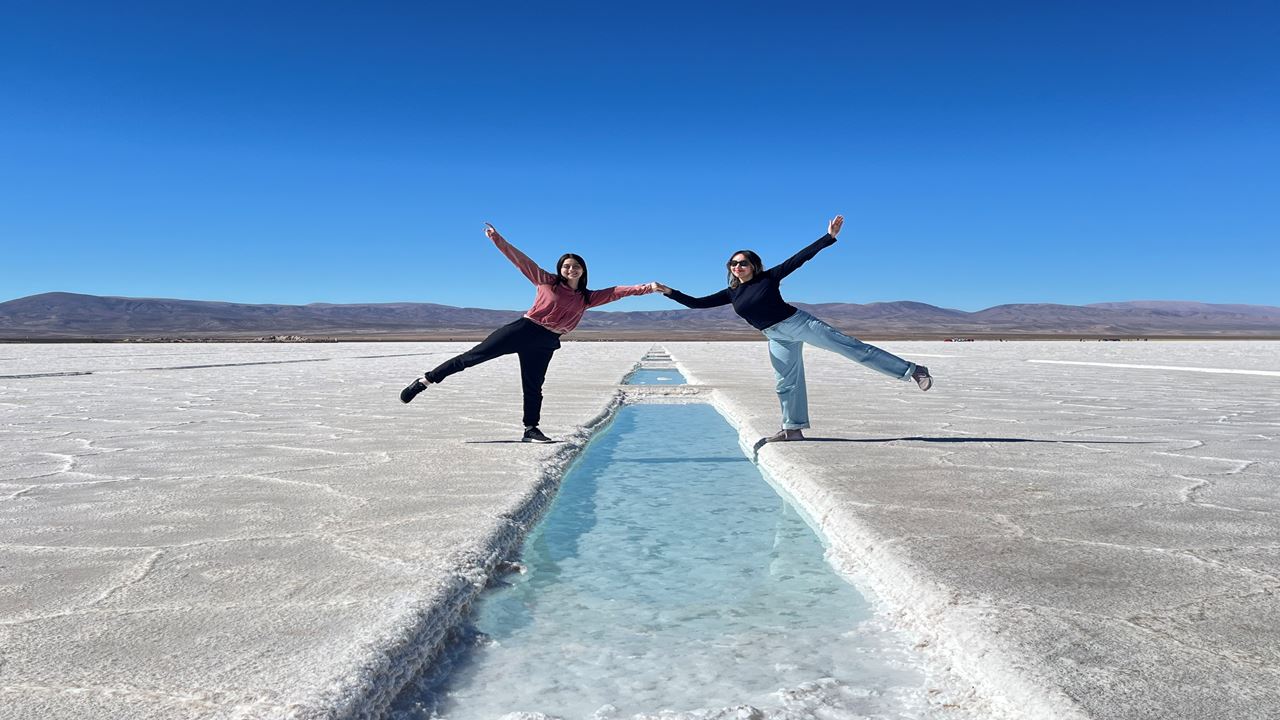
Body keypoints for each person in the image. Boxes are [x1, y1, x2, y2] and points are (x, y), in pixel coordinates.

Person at [654, 215, 932, 443]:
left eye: (743, 263)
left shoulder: (768, 278)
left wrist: (829, 238)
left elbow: (799, 258)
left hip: (800, 324)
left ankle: (913, 370)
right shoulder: (732, 293)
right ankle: (793, 429)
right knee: (786, 382)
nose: (738, 266)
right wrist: (669, 291)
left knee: (853, 349)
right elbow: (696, 303)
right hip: (775, 336)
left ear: (754, 266)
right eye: (734, 263)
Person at [400, 222, 659, 443]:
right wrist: (497, 239)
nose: (571, 269)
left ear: (583, 270)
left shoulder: (587, 297)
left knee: (534, 386)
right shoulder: (546, 281)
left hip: (547, 341)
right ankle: (425, 381)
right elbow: (520, 260)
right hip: (523, 330)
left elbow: (618, 292)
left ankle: (530, 429)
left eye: (576, 266)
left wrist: (648, 287)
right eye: (567, 266)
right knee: (471, 358)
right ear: (560, 268)